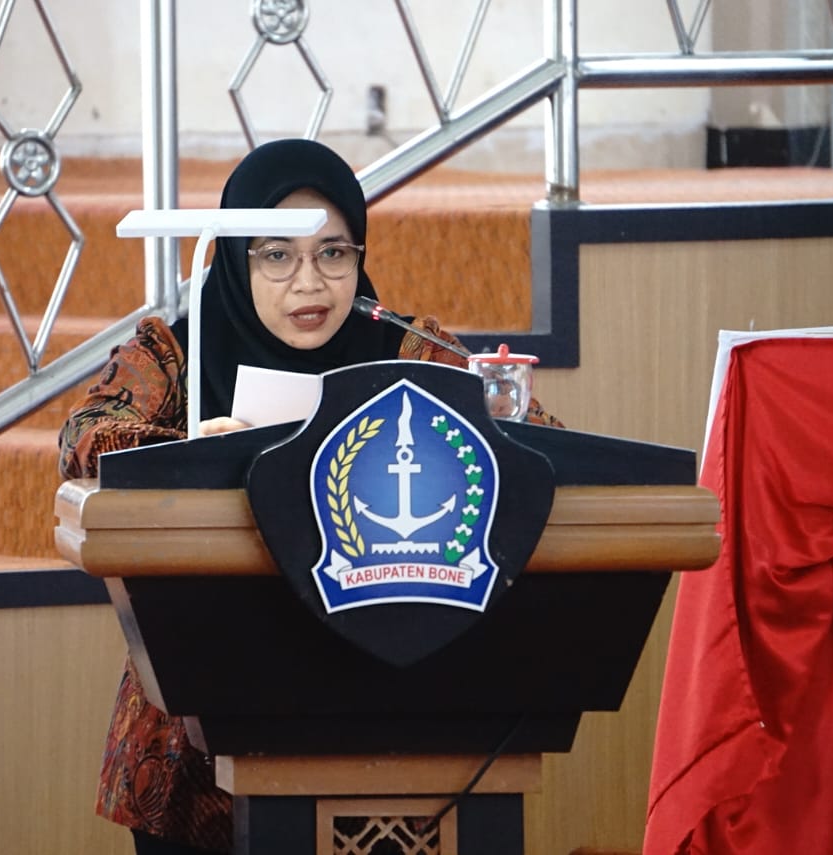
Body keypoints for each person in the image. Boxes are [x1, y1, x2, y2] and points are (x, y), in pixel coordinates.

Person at [57, 138, 562, 854]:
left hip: (389, 699)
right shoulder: (175, 351)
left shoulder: (404, 347)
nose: (310, 282)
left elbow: (539, 437)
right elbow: (83, 436)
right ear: (237, 259)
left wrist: (496, 412)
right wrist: (192, 448)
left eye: (333, 253)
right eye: (277, 255)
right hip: (196, 727)